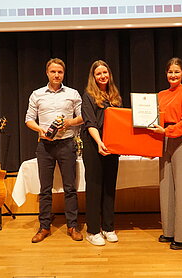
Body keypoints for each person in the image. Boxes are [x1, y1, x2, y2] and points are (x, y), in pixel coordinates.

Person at [25, 58, 83, 243]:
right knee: (45, 189)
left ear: (64, 73)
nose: (56, 75)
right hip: (44, 146)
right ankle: (44, 227)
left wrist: (69, 122)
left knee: (70, 188)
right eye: (53, 72)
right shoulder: (37, 94)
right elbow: (28, 119)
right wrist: (40, 129)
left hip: (66, 144)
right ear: (47, 73)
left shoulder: (73, 93)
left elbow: (83, 116)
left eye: (60, 72)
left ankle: (72, 226)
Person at [150, 57, 182, 250]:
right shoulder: (160, 94)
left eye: (177, 72)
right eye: (170, 72)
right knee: (166, 185)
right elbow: (153, 119)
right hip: (163, 140)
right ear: (166, 74)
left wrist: (166, 132)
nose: (173, 75)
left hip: (180, 140)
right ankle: (169, 231)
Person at [81, 60, 122, 246]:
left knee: (109, 187)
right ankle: (93, 230)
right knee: (95, 187)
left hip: (113, 146)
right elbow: (89, 123)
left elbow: (122, 121)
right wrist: (99, 142)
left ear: (109, 74)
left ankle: (108, 227)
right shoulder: (88, 96)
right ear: (93, 76)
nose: (102, 76)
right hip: (94, 144)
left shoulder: (114, 95)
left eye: (105, 72)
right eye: (98, 73)